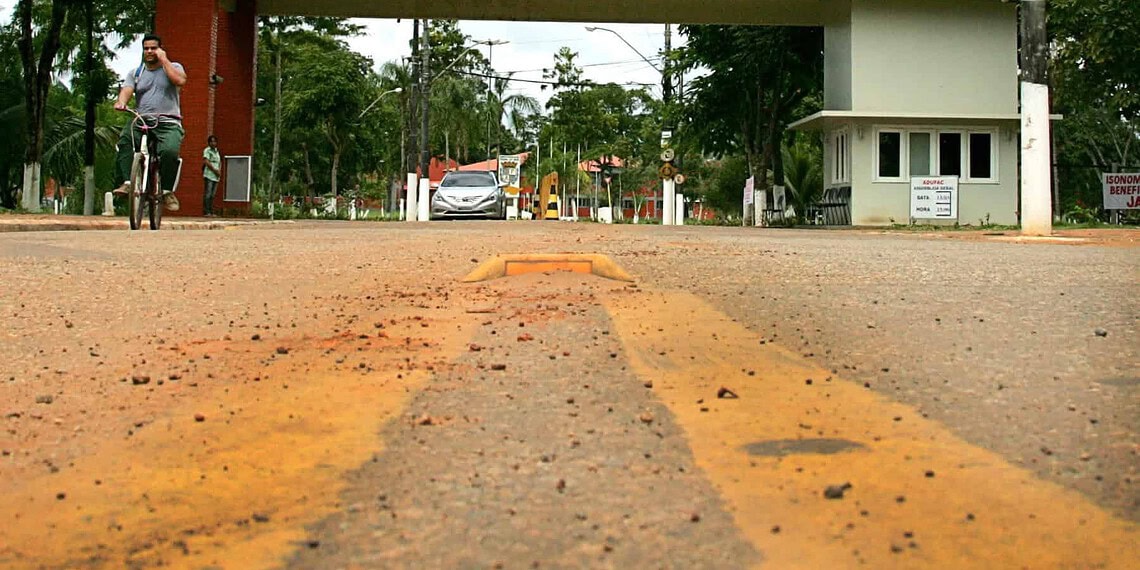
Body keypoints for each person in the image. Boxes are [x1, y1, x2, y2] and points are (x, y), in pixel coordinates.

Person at [112, 34, 187, 211]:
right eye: (146, 48)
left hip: (168, 122)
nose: (150, 51)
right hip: (142, 120)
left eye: (153, 48)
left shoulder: (174, 67)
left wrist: (164, 60)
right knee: (125, 140)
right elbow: (127, 90)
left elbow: (180, 80)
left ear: (160, 49)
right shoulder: (136, 73)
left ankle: (167, 191)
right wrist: (121, 102)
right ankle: (128, 182)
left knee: (169, 151)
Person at [202, 135, 222, 216]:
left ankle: (211, 210)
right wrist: (214, 170)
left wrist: (219, 171)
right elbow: (206, 161)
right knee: (208, 193)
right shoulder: (207, 150)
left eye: (214, 141)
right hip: (209, 175)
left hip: (216, 176)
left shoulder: (217, 151)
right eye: (211, 141)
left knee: (213, 195)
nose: (213, 143)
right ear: (209, 143)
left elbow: (219, 162)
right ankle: (206, 211)